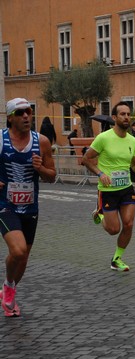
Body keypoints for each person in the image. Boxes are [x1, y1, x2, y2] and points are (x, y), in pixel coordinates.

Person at [0, 98, 56, 317]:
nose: (26, 116)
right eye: (21, 112)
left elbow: (52, 177)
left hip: (30, 207)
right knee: (18, 250)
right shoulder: (1, 140)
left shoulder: (41, 142)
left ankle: (8, 288)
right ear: (10, 117)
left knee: (23, 257)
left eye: (29, 112)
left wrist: (40, 168)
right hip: (5, 205)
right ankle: (8, 289)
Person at [81, 101, 135, 272]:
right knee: (113, 229)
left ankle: (116, 258)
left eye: (128, 114)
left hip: (126, 188)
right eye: (123, 114)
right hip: (108, 190)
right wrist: (100, 174)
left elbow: (133, 163)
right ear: (114, 117)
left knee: (129, 224)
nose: (126, 117)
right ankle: (99, 213)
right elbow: (86, 159)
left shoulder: (133, 140)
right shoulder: (104, 138)